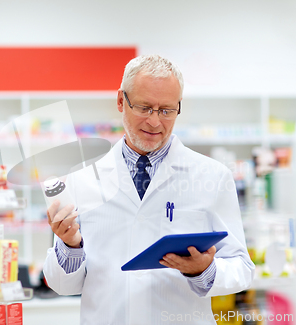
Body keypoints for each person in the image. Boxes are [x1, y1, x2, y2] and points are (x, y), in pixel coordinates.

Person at [43, 54, 255, 324]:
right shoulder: (81, 180)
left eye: (167, 110)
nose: (155, 122)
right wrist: (70, 245)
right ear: (121, 101)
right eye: (144, 108)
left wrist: (203, 270)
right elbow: (64, 285)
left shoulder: (213, 176)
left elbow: (241, 267)